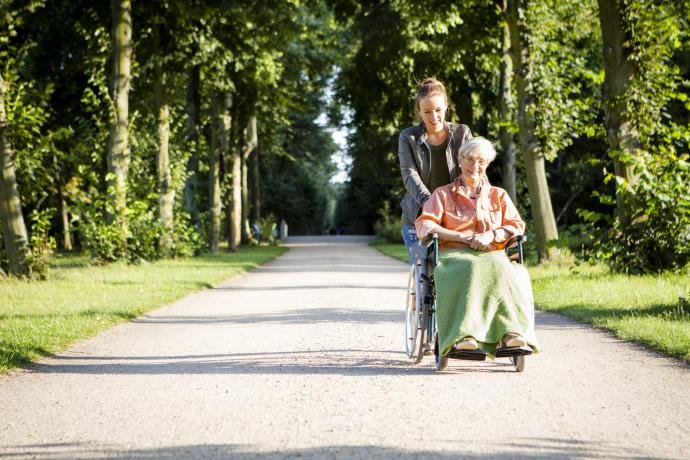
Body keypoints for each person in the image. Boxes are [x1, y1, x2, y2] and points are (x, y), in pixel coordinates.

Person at [415, 137, 540, 357]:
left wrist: (492, 234)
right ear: (460, 159)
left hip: (492, 252)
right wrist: (461, 236)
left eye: (481, 161)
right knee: (472, 267)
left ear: (488, 164)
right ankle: (464, 335)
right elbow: (425, 224)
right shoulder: (443, 194)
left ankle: (511, 333)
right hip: (453, 255)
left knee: (501, 265)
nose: (475, 166)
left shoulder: (498, 195)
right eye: (470, 159)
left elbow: (516, 225)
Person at [398, 77, 472, 263]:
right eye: (427, 111)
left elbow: (475, 170)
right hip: (417, 216)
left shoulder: (462, 133)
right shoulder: (408, 137)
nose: (433, 117)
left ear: (446, 106)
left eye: (438, 110)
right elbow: (409, 175)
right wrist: (431, 204)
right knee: (426, 272)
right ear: (419, 111)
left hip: (456, 217)